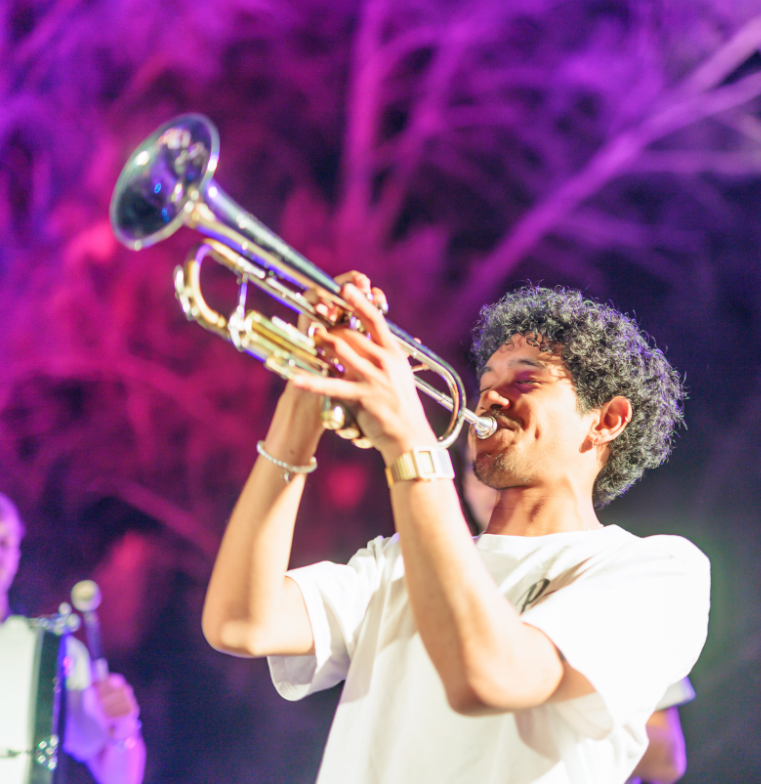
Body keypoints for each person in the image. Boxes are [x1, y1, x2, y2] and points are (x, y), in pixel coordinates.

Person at [203, 278, 710, 783]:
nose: (489, 400)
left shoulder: (659, 571)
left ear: (607, 420)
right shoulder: (402, 558)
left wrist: (410, 445)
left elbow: (490, 674)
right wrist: (304, 399)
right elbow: (240, 622)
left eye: (525, 381)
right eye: (486, 385)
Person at [463, 458, 693, 784]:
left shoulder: (611, 574)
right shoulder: (440, 586)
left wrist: (550, 705)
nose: (493, 486)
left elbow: (666, 758)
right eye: (480, 470)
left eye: (510, 464)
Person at [0, 490, 146, 784]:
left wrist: (122, 731)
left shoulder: (53, 654)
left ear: (17, 555)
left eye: (5, 542)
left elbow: (120, 778)